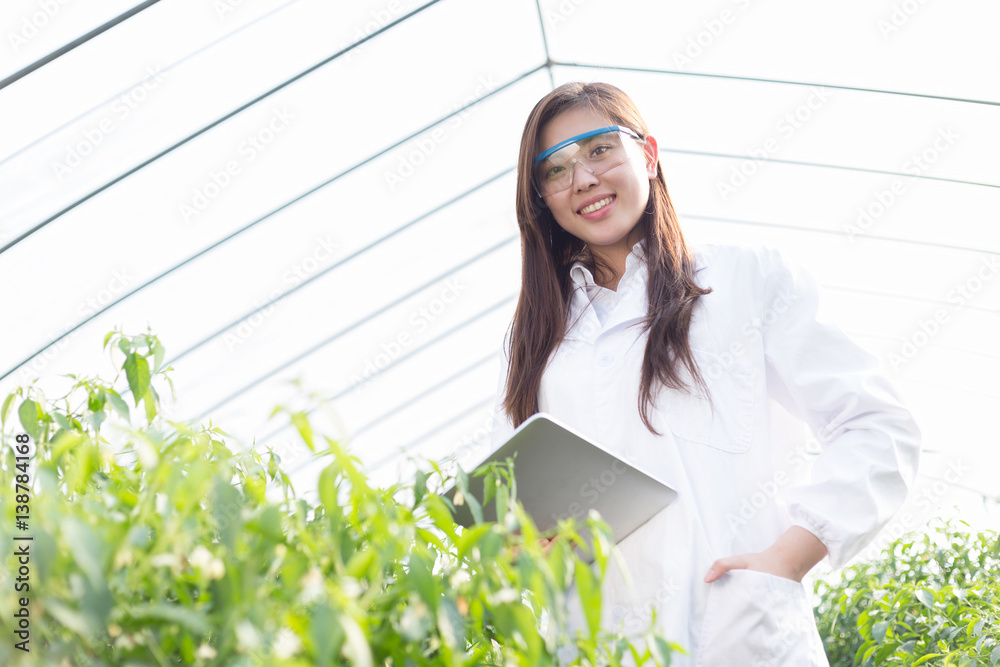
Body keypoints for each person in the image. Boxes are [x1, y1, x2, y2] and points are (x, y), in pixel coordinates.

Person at [487, 81, 922, 666]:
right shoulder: (537, 339)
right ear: (541, 198)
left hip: (740, 637)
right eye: (554, 170)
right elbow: (512, 498)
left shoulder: (745, 278)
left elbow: (877, 426)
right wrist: (527, 547)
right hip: (597, 647)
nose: (582, 180)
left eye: (598, 150)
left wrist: (788, 558)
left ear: (648, 153)